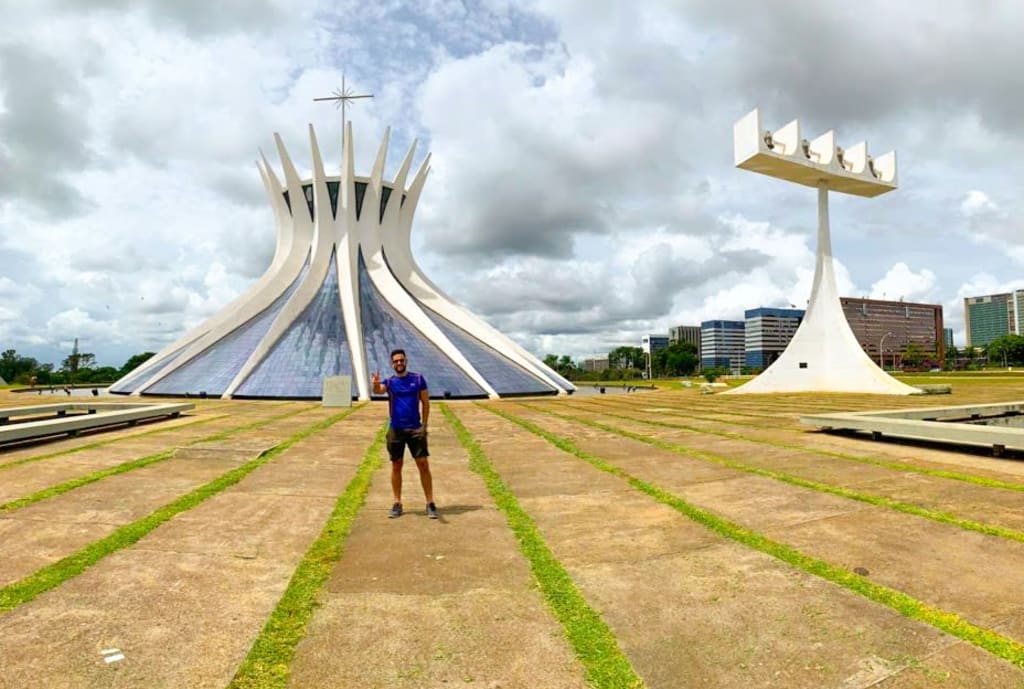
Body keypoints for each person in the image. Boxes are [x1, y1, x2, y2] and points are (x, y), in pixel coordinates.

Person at [371, 348, 438, 520]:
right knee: (396, 465)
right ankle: (397, 502)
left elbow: (425, 402)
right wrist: (375, 384)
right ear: (392, 364)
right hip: (396, 429)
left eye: (401, 360)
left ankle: (430, 502)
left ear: (405, 361)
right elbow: (378, 391)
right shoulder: (391, 382)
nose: (399, 363)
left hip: (415, 429)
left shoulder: (417, 379)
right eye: (396, 361)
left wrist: (424, 424)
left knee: (423, 464)